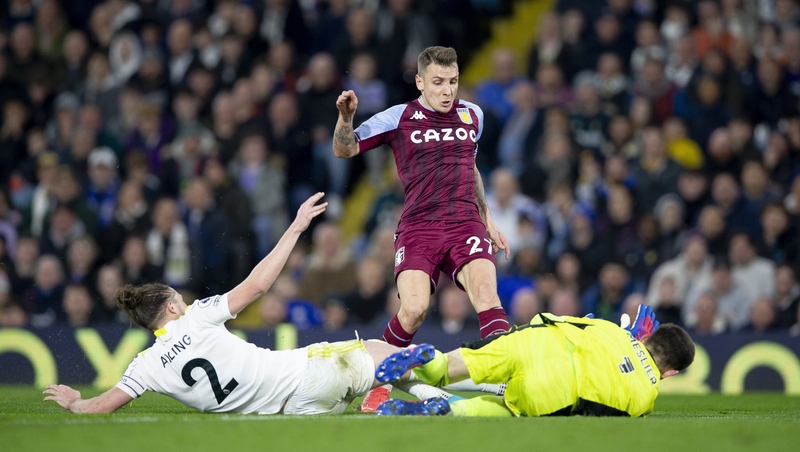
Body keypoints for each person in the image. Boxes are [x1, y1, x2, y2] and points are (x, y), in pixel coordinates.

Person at [42, 193, 404, 415]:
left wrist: (75, 402)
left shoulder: (146, 365)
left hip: (290, 412)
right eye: (177, 297)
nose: (185, 300)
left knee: (390, 372)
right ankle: (453, 396)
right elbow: (259, 285)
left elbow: (102, 405)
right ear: (170, 308)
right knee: (389, 353)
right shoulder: (197, 318)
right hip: (302, 376)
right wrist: (295, 228)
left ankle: (392, 395)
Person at [332, 46, 511, 410]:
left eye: (454, 81)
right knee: (414, 309)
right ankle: (377, 381)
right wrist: (346, 118)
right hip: (419, 228)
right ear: (420, 82)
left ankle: (510, 377)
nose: (448, 90)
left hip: (465, 224)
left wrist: (487, 217)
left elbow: (469, 167)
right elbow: (344, 150)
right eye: (439, 82)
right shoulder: (398, 118)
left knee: (487, 297)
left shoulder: (472, 115)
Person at [373, 307, 694, 417]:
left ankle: (428, 359)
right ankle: (449, 409)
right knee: (507, 411)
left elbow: (577, 321)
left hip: (538, 339)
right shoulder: (646, 396)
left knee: (451, 367)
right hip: (558, 386)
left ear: (648, 338)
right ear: (672, 372)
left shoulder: (613, 330)